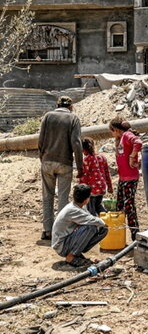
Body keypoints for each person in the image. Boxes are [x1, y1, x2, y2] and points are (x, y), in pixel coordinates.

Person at [38, 95, 84, 241]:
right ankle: (60, 232)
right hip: (65, 163)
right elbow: (76, 143)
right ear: (71, 107)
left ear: (57, 105)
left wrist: (42, 157)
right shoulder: (73, 118)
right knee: (63, 198)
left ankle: (47, 231)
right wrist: (80, 166)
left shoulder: (47, 116)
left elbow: (40, 140)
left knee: (47, 197)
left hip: (47, 161)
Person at [51, 183, 108, 268]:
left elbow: (90, 218)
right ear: (86, 200)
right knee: (90, 227)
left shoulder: (79, 207)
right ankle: (71, 256)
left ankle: (77, 252)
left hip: (66, 241)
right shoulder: (73, 209)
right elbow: (92, 220)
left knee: (102, 229)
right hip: (61, 245)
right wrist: (105, 223)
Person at [109, 118, 143, 240]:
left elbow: (138, 142)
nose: (112, 134)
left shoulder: (127, 135)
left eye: (112, 131)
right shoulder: (120, 139)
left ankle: (135, 235)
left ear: (116, 130)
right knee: (119, 206)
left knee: (129, 205)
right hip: (123, 178)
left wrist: (132, 156)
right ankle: (119, 235)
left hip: (130, 177)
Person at [79, 138, 113, 217]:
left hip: (92, 190)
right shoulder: (102, 157)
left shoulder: (87, 160)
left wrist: (81, 189)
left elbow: (84, 176)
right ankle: (106, 222)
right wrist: (110, 186)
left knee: (91, 211)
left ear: (83, 149)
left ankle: (94, 228)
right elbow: (107, 173)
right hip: (101, 187)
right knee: (99, 206)